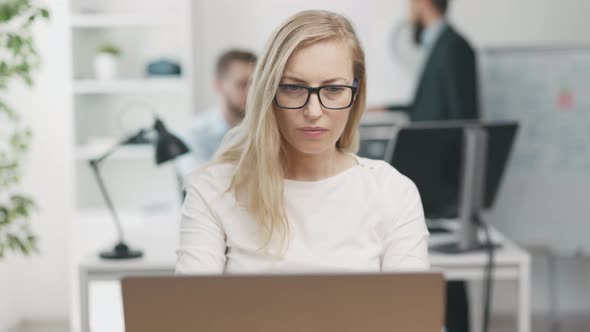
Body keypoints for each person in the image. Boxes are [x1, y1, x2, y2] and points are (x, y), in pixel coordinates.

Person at [176, 10, 429, 276]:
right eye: (293, 88)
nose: (313, 111)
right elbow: (190, 315)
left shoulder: (393, 192)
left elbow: (410, 315)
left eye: (333, 90)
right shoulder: (213, 191)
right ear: (268, 92)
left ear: (356, 92)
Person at [175, 49, 257, 178]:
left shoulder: (263, 129)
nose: (251, 92)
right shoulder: (194, 134)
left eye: (255, 84)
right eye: (242, 84)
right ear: (219, 85)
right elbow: (197, 185)